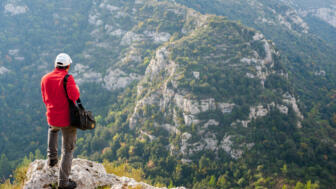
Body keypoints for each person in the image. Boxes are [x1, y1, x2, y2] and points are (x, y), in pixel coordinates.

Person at [41, 53, 80, 189]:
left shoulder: (45, 78)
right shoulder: (67, 78)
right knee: (68, 150)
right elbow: (74, 96)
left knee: (53, 130)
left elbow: (45, 99)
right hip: (67, 119)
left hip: (52, 116)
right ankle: (63, 182)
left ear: (55, 64)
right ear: (68, 66)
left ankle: (52, 159)